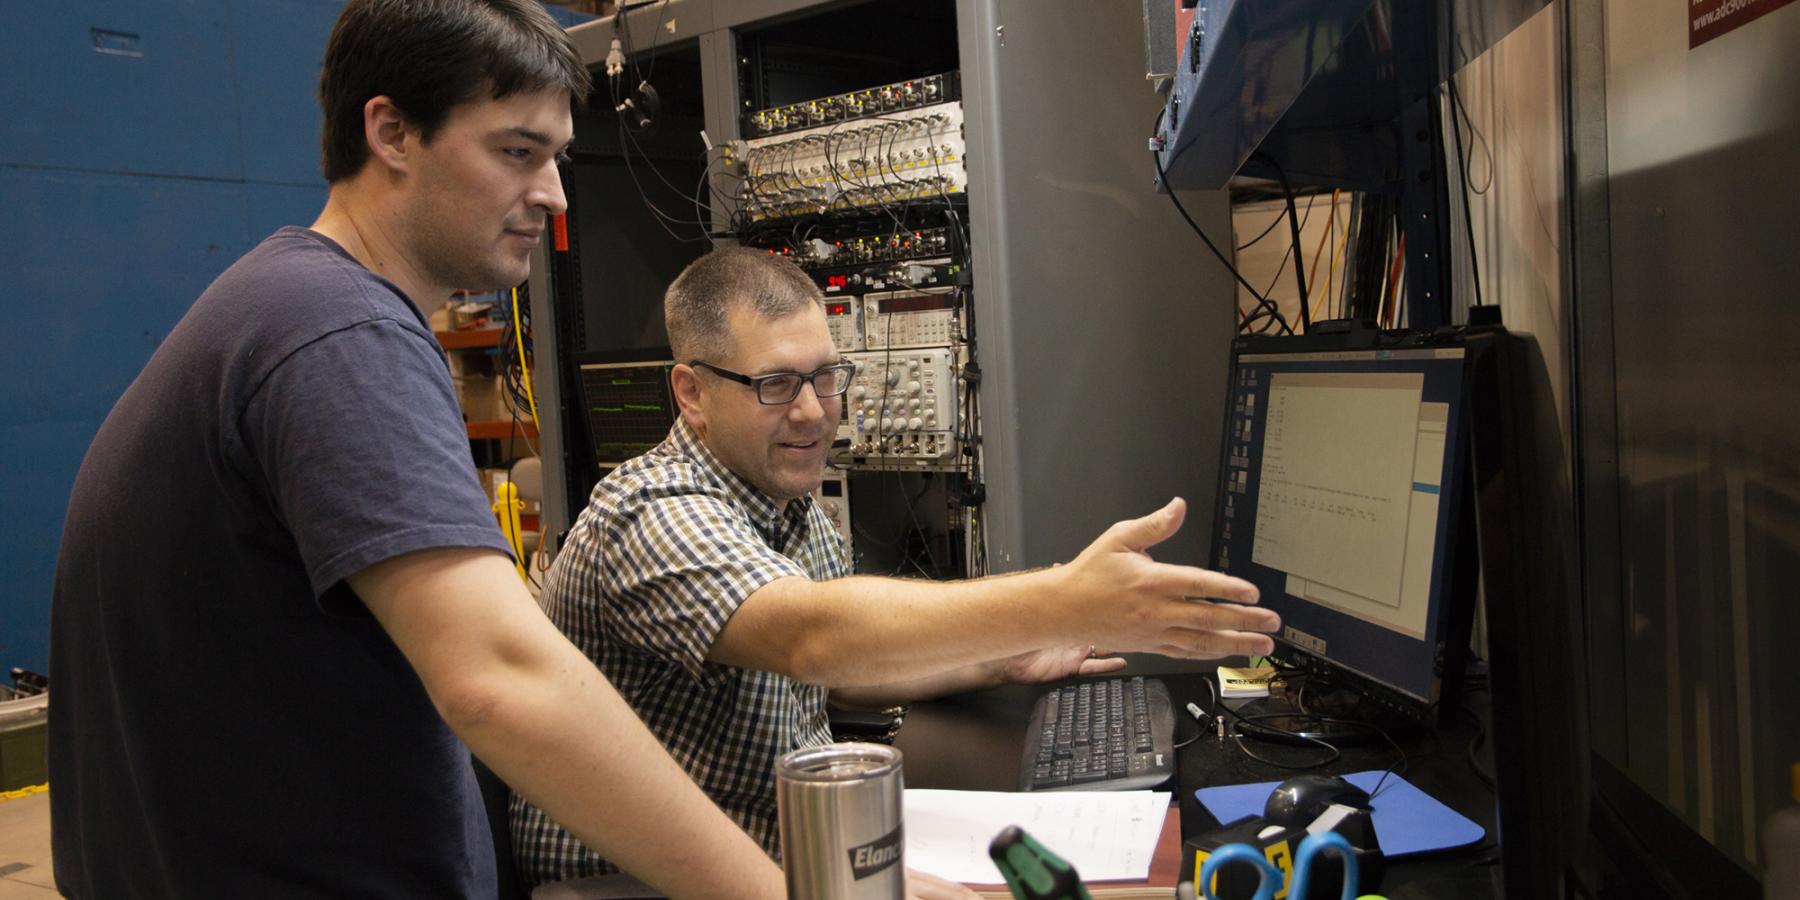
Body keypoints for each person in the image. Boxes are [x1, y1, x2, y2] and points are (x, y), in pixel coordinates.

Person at [44, 3, 939, 897]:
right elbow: (500, 681)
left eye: (553, 156)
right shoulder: (339, 336)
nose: (553, 191)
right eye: (517, 151)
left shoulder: (289, 311)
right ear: (391, 131)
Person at [511, 247, 1282, 885]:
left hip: (771, 843)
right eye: (776, 384)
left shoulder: (787, 505)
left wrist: (999, 660)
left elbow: (838, 678)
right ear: (692, 392)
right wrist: (1070, 601)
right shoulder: (652, 512)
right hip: (632, 879)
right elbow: (809, 639)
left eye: (825, 376)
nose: (813, 411)